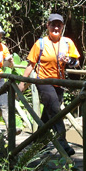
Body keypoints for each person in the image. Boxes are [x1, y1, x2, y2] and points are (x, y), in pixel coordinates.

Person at [18, 13, 80, 156]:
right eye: (53, 24)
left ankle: (38, 141)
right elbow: (31, 64)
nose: (56, 28)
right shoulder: (41, 43)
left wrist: (70, 61)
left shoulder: (67, 43)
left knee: (49, 113)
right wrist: (23, 82)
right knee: (55, 109)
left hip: (60, 82)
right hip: (44, 81)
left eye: (59, 25)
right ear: (48, 26)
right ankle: (63, 143)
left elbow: (76, 62)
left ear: (62, 27)